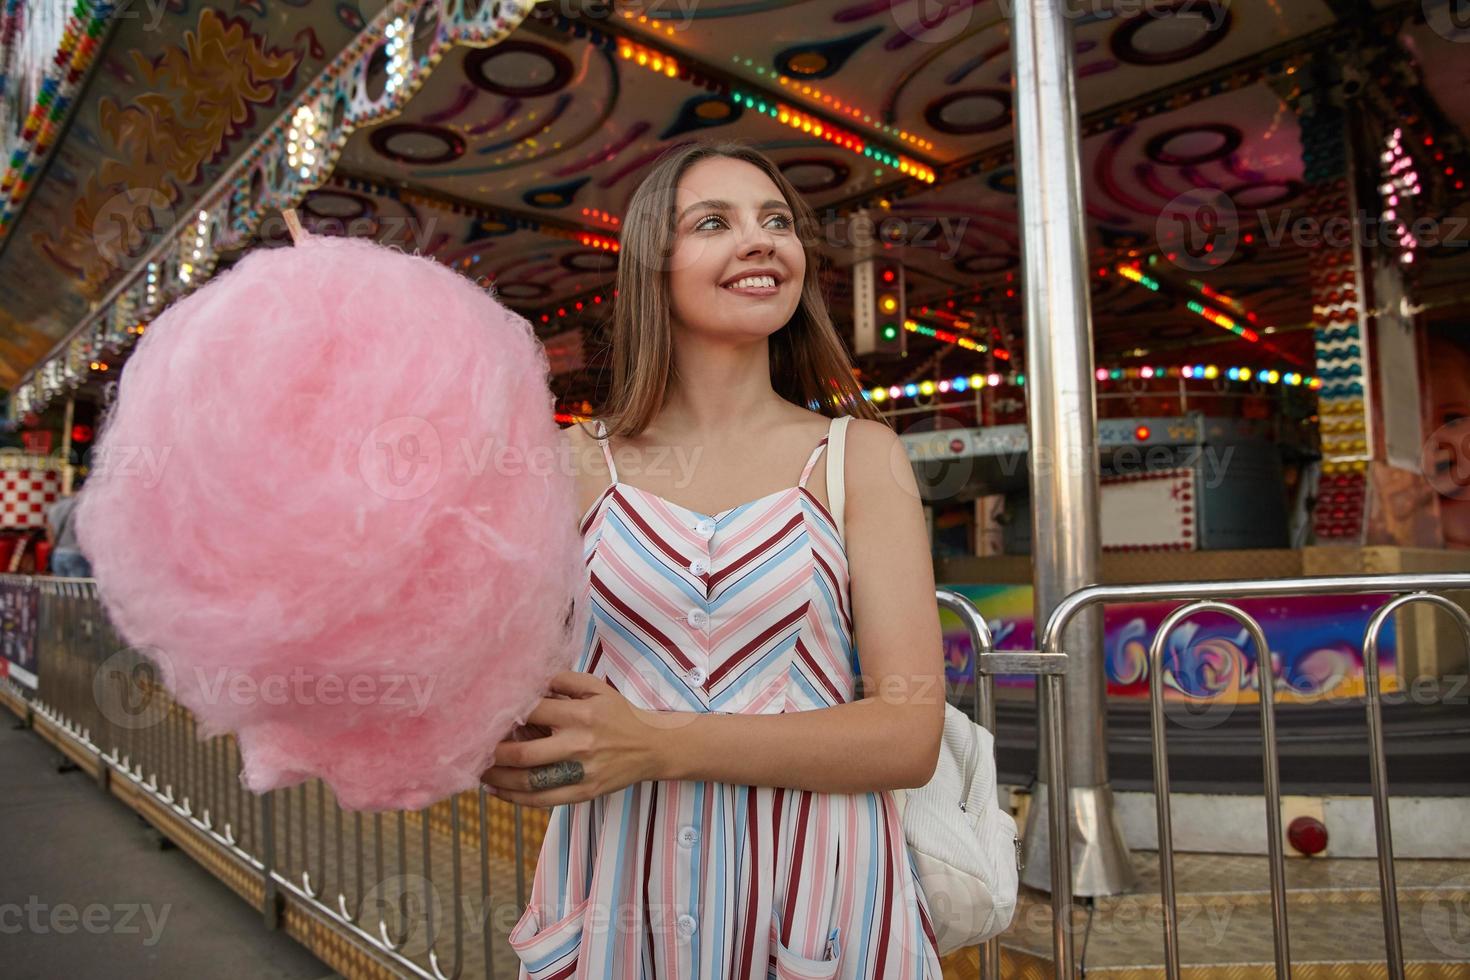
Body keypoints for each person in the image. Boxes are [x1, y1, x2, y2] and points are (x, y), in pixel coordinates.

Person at [479, 142, 947, 977]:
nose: (762, 239)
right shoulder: (572, 462)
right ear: (653, 268)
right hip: (621, 889)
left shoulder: (858, 457)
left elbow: (907, 734)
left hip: (817, 891)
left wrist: (659, 743)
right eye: (714, 223)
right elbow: (508, 679)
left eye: (777, 222)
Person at [45, 491, 92, 578]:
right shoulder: (80, 507)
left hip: (58, 554)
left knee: (61, 589)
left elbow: (49, 531)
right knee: (77, 589)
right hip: (76, 553)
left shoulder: (54, 507)